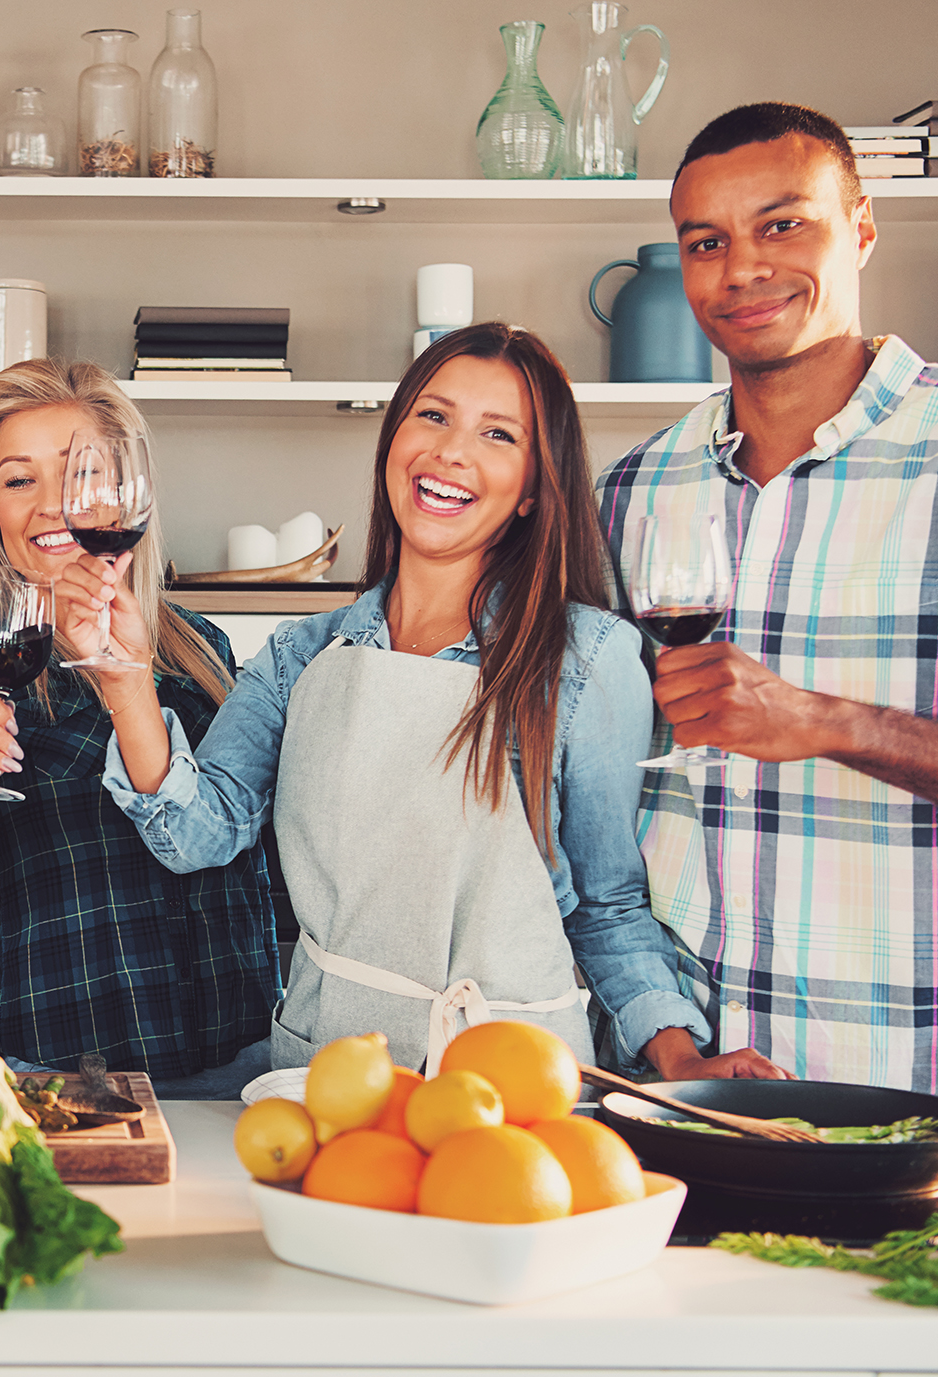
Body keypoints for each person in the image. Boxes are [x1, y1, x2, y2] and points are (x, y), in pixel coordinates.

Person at [597, 103, 938, 1163]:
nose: (740, 268)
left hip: (925, 1112)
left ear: (856, 229)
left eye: (781, 226)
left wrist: (820, 722)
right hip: (681, 1105)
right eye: (704, 243)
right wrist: (658, 1040)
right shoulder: (631, 487)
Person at [94, 325, 717, 1079]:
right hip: (330, 1070)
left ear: (531, 489)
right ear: (394, 440)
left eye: (498, 433)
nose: (452, 452)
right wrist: (126, 681)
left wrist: (681, 1059)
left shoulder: (584, 658)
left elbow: (606, 906)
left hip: (512, 1080)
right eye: (434, 416)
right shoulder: (304, 654)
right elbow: (196, 837)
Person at [0, 359, 281, 1094]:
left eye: (78, 472)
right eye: (19, 480)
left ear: (125, 490)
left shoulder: (198, 646)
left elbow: (258, 858)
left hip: (247, 1063)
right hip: (70, 1074)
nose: (54, 506)